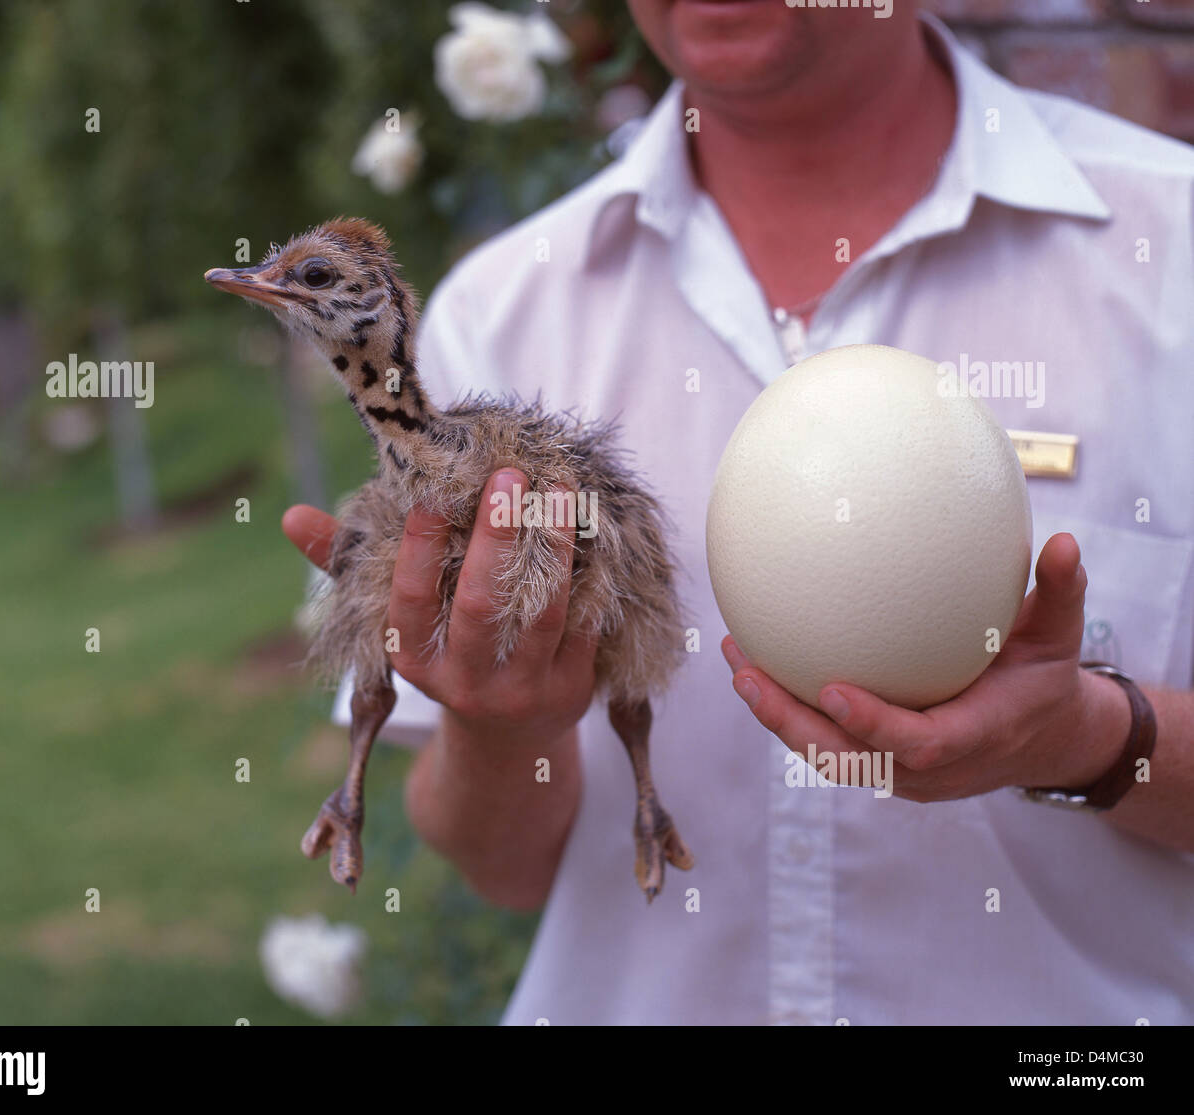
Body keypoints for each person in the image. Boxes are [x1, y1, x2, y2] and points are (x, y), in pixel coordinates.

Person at [282, 1, 1194, 1024]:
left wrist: (1091, 738)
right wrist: (505, 730)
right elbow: (504, 866)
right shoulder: (509, 307)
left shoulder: (1170, 255)